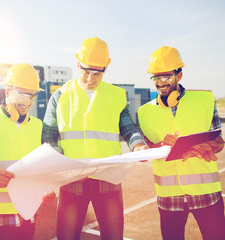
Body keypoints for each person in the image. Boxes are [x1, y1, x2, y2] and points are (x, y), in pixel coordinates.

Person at [42, 37, 148, 240]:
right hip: (72, 181)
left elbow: (128, 128)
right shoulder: (60, 95)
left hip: (108, 180)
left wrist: (138, 144)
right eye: (86, 71)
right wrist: (62, 162)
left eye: (97, 73)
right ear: (77, 63)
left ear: (106, 68)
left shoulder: (116, 95)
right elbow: (48, 138)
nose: (90, 78)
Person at [138, 46, 225, 240]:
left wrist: (210, 146)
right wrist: (159, 146)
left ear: (180, 75)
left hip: (206, 192)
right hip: (169, 197)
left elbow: (219, 140)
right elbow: (146, 150)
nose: (161, 83)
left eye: (166, 77)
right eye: (156, 78)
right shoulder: (144, 113)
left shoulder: (204, 100)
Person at [0, 63, 55, 240]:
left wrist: (46, 189)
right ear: (7, 92)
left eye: (32, 95)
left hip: (28, 213)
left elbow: (42, 165)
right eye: (22, 94)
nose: (28, 102)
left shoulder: (38, 126)